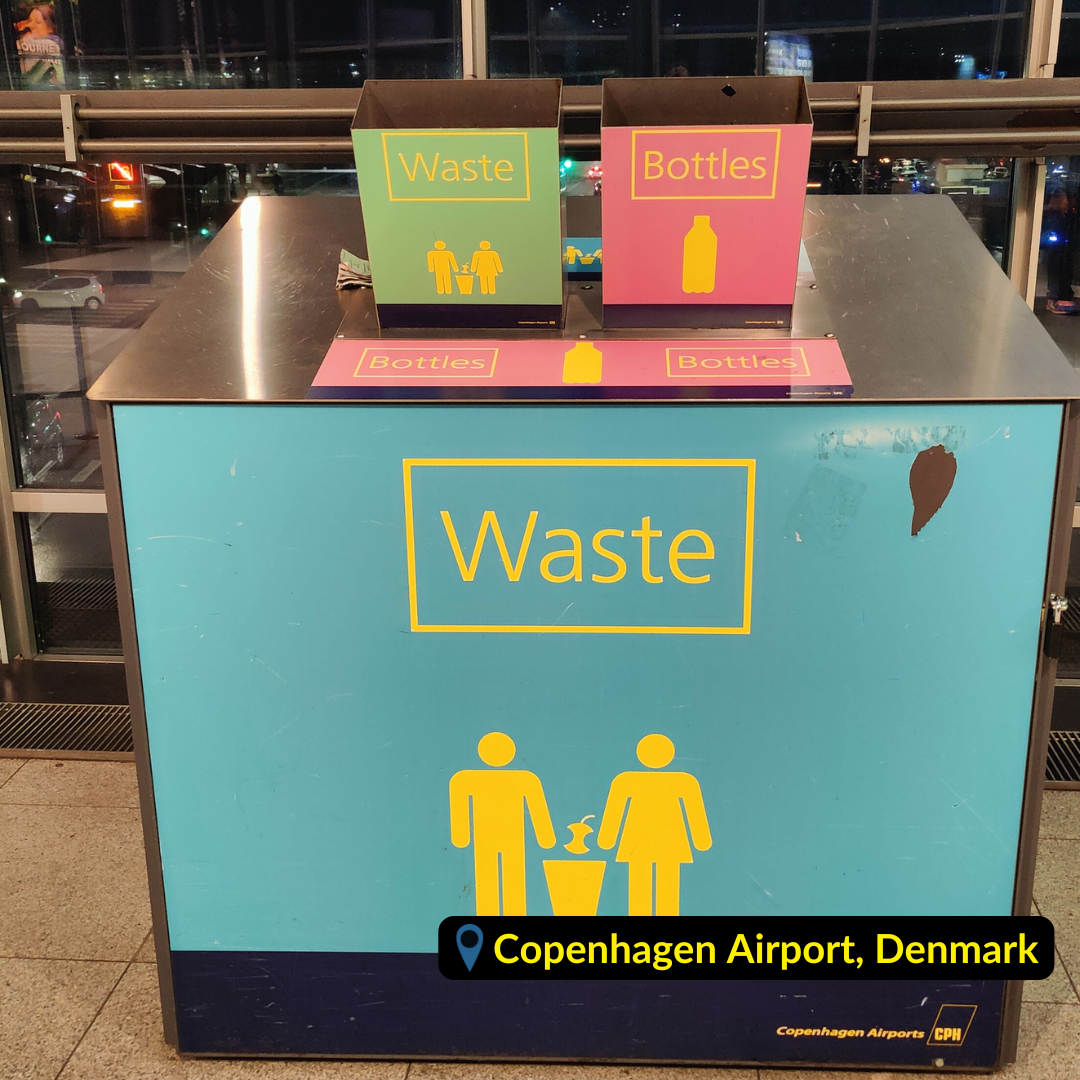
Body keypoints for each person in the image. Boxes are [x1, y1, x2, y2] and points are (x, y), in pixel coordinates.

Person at [597, 733, 711, 915]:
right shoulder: (682, 781)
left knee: (649, 886)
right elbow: (615, 810)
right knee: (657, 886)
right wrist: (701, 841)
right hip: (654, 845)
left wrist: (606, 840)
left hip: (652, 844)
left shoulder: (628, 780)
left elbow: (614, 812)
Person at [449, 732, 556, 915]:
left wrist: (462, 837)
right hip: (491, 838)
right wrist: (546, 838)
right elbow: (538, 811)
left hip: (506, 838)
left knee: (504, 879)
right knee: (494, 879)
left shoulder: (524, 779)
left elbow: (537, 809)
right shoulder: (524, 779)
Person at [1044, 170, 1080, 315]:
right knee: (1057, 271)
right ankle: (1054, 299)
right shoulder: (1056, 216)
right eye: (1065, 200)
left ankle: (1059, 297)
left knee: (1061, 270)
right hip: (1057, 248)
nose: (1067, 203)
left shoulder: (1064, 216)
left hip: (1061, 247)